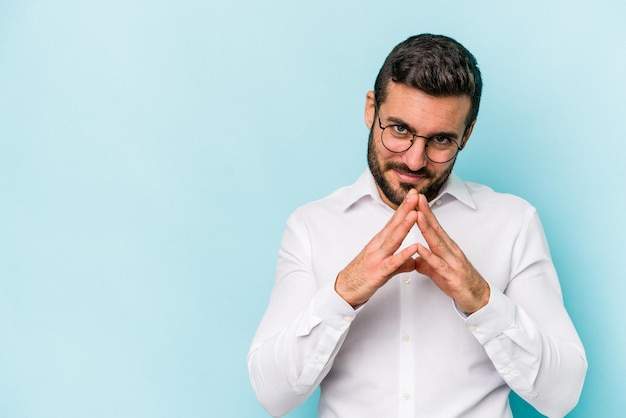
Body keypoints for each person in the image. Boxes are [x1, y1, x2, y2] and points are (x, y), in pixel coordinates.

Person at [247, 34, 587, 418]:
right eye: (399, 130)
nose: (413, 160)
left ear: (467, 134)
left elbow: (562, 397)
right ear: (371, 109)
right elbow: (273, 396)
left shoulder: (513, 223)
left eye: (441, 139)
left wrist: (481, 298)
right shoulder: (311, 227)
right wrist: (344, 292)